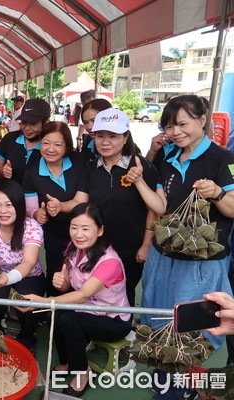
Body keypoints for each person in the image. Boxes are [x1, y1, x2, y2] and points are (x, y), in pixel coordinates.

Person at [125, 95, 234, 350]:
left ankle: (181, 384)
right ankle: (164, 372)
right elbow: (161, 205)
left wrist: (217, 193)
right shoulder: (169, 155)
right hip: (164, 254)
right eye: (170, 126)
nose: (175, 132)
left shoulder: (225, 159)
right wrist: (139, 181)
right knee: (160, 318)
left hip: (201, 262)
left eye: (183, 124)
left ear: (203, 120)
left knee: (193, 325)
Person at [46, 108, 157, 308]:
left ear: (125, 138)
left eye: (113, 136)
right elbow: (81, 201)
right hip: (96, 248)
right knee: (91, 296)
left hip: (130, 247)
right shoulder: (90, 168)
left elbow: (153, 210)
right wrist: (60, 205)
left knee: (124, 294)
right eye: (99, 136)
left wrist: (146, 246)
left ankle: (122, 330)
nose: (105, 142)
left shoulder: (141, 167)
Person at [18, 203, 131, 397]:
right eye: (74, 227)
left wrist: (41, 301)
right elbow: (67, 284)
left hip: (113, 319)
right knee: (54, 315)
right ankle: (67, 362)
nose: (78, 234)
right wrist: (59, 281)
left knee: (68, 320)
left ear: (100, 230)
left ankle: (82, 373)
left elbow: (83, 294)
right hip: (86, 309)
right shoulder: (74, 248)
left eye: (86, 228)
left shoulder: (109, 261)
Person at [0, 179, 45, 351]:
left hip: (28, 274)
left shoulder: (32, 227)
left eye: (9, 205)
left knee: (28, 304)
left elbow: (28, 263)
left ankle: (27, 338)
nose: (3, 211)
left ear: (19, 205)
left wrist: (6, 278)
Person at [23, 121, 87, 296]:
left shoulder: (80, 162)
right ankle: (54, 317)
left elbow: (82, 201)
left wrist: (61, 206)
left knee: (83, 276)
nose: (51, 149)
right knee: (57, 276)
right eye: (46, 143)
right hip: (55, 235)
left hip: (85, 234)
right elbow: (30, 208)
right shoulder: (32, 172)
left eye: (57, 144)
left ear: (67, 146)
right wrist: (37, 214)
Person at [0, 98, 51, 184]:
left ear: (46, 122)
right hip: (8, 195)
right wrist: (2, 171)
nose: (27, 128)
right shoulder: (10, 139)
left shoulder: (51, 146)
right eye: (24, 122)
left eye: (33, 123)